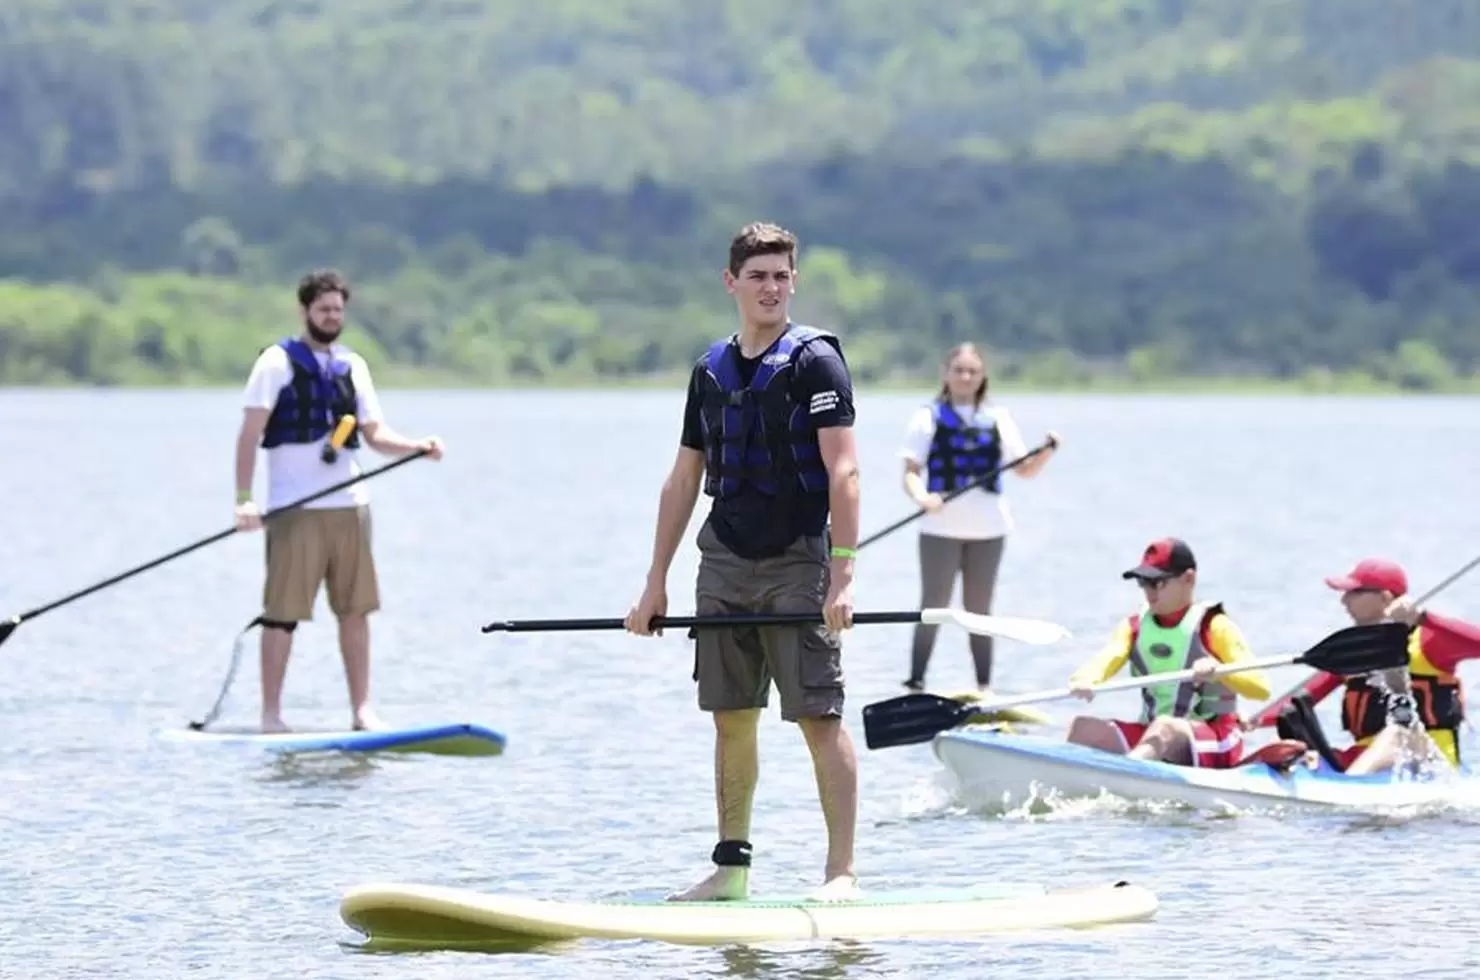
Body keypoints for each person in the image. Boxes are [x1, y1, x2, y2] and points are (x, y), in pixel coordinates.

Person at [624, 222, 861, 903]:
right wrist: (654, 585)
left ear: (795, 280)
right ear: (732, 282)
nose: (772, 287)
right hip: (723, 558)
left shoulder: (816, 362)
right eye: (758, 275)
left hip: (797, 559)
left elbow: (844, 472)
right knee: (730, 715)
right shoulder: (710, 370)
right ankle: (732, 868)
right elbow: (682, 479)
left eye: (782, 275)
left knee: (818, 715)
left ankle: (840, 872)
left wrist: (841, 574)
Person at [232, 269, 444, 734]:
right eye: (324, 309)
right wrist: (245, 500)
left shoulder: (353, 366)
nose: (332, 317)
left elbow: (375, 435)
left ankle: (362, 710)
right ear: (305, 309)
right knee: (283, 614)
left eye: (338, 310)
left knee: (356, 609)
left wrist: (414, 447)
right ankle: (270, 714)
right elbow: (248, 436)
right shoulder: (274, 363)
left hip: (349, 505)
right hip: (295, 509)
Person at [898, 342, 1057, 694]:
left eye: (972, 371)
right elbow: (910, 472)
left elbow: (1025, 469)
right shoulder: (927, 417)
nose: (965, 377)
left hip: (989, 531)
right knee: (933, 606)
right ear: (946, 373)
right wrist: (923, 497)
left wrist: (1046, 451)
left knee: (980, 611)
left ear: (982, 375)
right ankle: (916, 682)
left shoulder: (998, 418)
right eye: (959, 370)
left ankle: (984, 687)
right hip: (939, 529)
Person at [1245, 558, 1479, 775]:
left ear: (1386, 597)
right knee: (1289, 744)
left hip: (1429, 764)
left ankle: (1347, 789)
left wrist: (1424, 618)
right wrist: (1253, 722)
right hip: (1367, 761)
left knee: (1399, 733)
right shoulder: (1357, 649)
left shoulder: (1430, 641)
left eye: (1354, 592)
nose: (1344, 600)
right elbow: (1303, 696)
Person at [1065, 538, 1272, 767]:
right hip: (1155, 736)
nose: (1149, 593)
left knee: (1166, 727)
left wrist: (1219, 671)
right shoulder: (1133, 627)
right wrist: (1083, 679)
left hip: (1218, 739)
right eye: (1144, 583)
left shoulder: (1215, 626)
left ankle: (1129, 776)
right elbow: (1106, 658)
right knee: (1083, 728)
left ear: (1188, 579)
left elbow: (1260, 689)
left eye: (1159, 583)